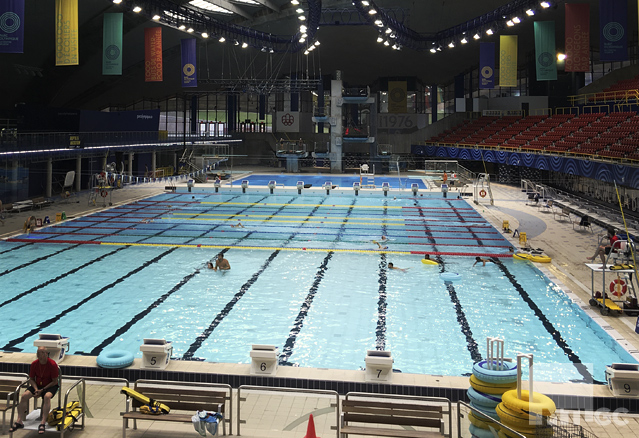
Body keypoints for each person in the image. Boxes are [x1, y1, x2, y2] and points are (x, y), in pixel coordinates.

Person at [9, 346, 59, 434]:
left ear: (46, 354)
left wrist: (42, 390)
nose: (39, 354)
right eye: (38, 352)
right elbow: (31, 379)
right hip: (37, 385)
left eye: (41, 352)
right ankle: (19, 421)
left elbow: (55, 381)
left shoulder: (52, 364)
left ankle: (43, 422)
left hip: (50, 386)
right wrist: (36, 389)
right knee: (24, 396)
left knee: (47, 397)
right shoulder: (34, 364)